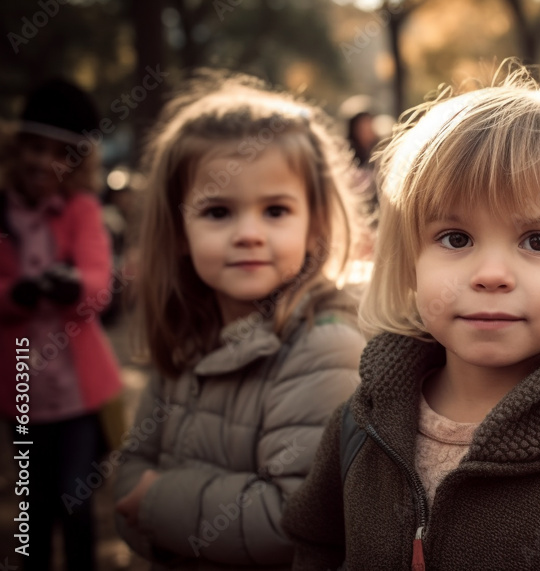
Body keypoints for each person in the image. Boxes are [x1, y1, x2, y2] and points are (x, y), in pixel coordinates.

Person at [281, 68, 540, 570]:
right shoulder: (358, 427)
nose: (491, 275)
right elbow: (315, 546)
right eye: (455, 238)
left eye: (538, 240)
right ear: (410, 259)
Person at [113, 72, 366, 570]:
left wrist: (155, 504)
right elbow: (127, 480)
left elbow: (294, 522)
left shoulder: (325, 346)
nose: (248, 234)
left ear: (314, 222)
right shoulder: (188, 339)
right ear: (179, 228)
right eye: (218, 212)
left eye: (275, 210)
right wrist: (144, 509)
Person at [0, 78, 123, 571]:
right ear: (16, 148)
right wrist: (15, 297)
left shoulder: (81, 211)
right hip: (22, 387)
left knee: (75, 497)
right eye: (33, 148)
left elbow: (99, 285)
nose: (41, 162)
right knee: (32, 502)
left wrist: (70, 285)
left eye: (57, 153)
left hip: (76, 391)